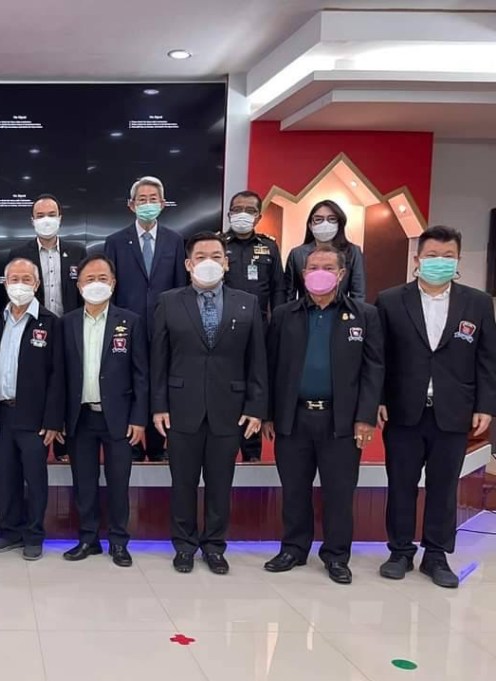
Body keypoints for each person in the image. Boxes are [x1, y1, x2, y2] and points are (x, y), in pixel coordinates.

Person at [377, 225, 496, 588]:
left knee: (444, 488)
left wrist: (486, 405)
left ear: (458, 261)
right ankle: (399, 551)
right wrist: (378, 399)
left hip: (454, 410)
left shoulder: (477, 303)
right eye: (432, 256)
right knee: (401, 484)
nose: (439, 262)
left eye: (448, 257)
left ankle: (436, 555)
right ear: (417, 259)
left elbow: (487, 359)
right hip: (403, 409)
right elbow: (378, 358)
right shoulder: (390, 300)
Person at [262, 245, 384, 584]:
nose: (319, 273)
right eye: (313, 267)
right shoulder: (284, 315)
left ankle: (336, 555)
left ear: (341, 274)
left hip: (340, 421)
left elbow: (374, 369)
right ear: (303, 274)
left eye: (328, 267)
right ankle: (293, 548)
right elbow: (270, 366)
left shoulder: (364, 315)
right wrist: (268, 414)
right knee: (294, 489)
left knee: (339, 492)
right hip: (294, 418)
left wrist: (365, 416)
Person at [151, 232, 267, 575]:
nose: (208, 262)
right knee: (183, 484)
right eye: (200, 256)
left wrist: (255, 407)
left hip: (229, 409)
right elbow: (159, 359)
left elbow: (257, 360)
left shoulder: (247, 303)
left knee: (220, 484)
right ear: (188, 264)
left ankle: (215, 546)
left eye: (216, 256)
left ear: (226, 263)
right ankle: (184, 546)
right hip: (181, 407)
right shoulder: (169, 301)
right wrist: (159, 405)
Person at [62, 254, 147, 567]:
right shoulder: (67, 322)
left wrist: (139, 418)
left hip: (119, 418)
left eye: (102, 278)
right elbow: (59, 375)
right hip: (80, 417)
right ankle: (88, 538)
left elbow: (141, 375)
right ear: (79, 285)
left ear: (113, 283)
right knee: (84, 483)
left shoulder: (131, 321)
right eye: (89, 279)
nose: (96, 284)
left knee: (118, 482)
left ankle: (119, 541)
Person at [104, 176, 187, 462]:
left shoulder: (175, 241)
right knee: (130, 383)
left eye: (153, 199)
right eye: (142, 200)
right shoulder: (115, 242)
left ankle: (158, 444)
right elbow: (110, 287)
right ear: (131, 205)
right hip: (127, 328)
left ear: (163, 204)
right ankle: (133, 444)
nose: (148, 204)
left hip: (165, 326)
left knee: (160, 382)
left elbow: (180, 286)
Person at [0, 258, 65, 561]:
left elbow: (58, 376)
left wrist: (53, 420)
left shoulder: (50, 323)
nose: (19, 285)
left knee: (35, 479)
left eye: (26, 279)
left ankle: (34, 534)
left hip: (35, 417)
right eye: (14, 279)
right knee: (6, 476)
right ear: (5, 284)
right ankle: (10, 531)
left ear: (37, 284)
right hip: (2, 415)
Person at [7, 194, 82, 463]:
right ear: (32, 220)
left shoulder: (77, 252)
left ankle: (64, 446)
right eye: (40, 216)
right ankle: (38, 436)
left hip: (69, 328)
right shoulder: (19, 254)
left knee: (69, 383)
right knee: (40, 383)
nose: (46, 220)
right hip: (36, 328)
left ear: (60, 218)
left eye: (51, 214)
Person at [223, 190, 286, 462]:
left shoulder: (269, 247)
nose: (243, 214)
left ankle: (251, 452)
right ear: (229, 214)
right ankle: (224, 447)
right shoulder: (218, 244)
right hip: (224, 328)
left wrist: (277, 324)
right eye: (237, 209)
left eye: (249, 210)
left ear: (258, 216)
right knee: (226, 384)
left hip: (259, 327)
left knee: (255, 384)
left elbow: (278, 289)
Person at [285, 200, 366, 301]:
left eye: (332, 219)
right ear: (310, 225)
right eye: (318, 219)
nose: (325, 223)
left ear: (339, 224)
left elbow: (358, 294)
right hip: (305, 309)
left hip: (341, 309)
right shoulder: (297, 254)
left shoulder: (353, 252)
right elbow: (289, 293)